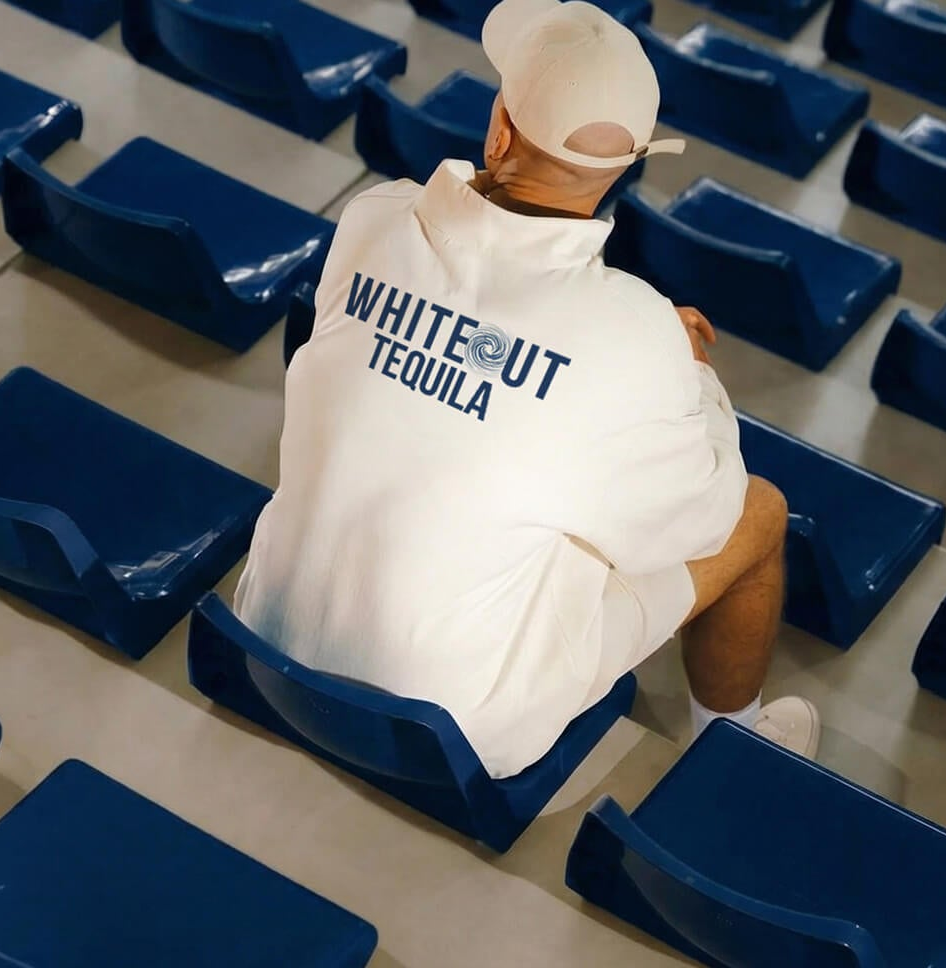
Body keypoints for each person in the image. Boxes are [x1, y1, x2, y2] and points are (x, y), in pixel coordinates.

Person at [235, 0, 820, 778]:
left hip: (263, 639)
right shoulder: (634, 331)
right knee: (758, 512)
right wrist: (693, 378)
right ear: (628, 166)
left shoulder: (374, 217)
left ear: (500, 131)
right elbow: (701, 518)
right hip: (448, 723)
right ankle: (736, 755)